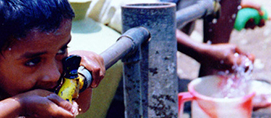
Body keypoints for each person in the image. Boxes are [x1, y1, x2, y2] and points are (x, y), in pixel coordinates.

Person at [87, 0, 267, 76]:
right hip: (114, 60)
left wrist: (229, 8)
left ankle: (213, 84)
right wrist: (200, 51)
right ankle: (155, 112)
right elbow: (137, 15)